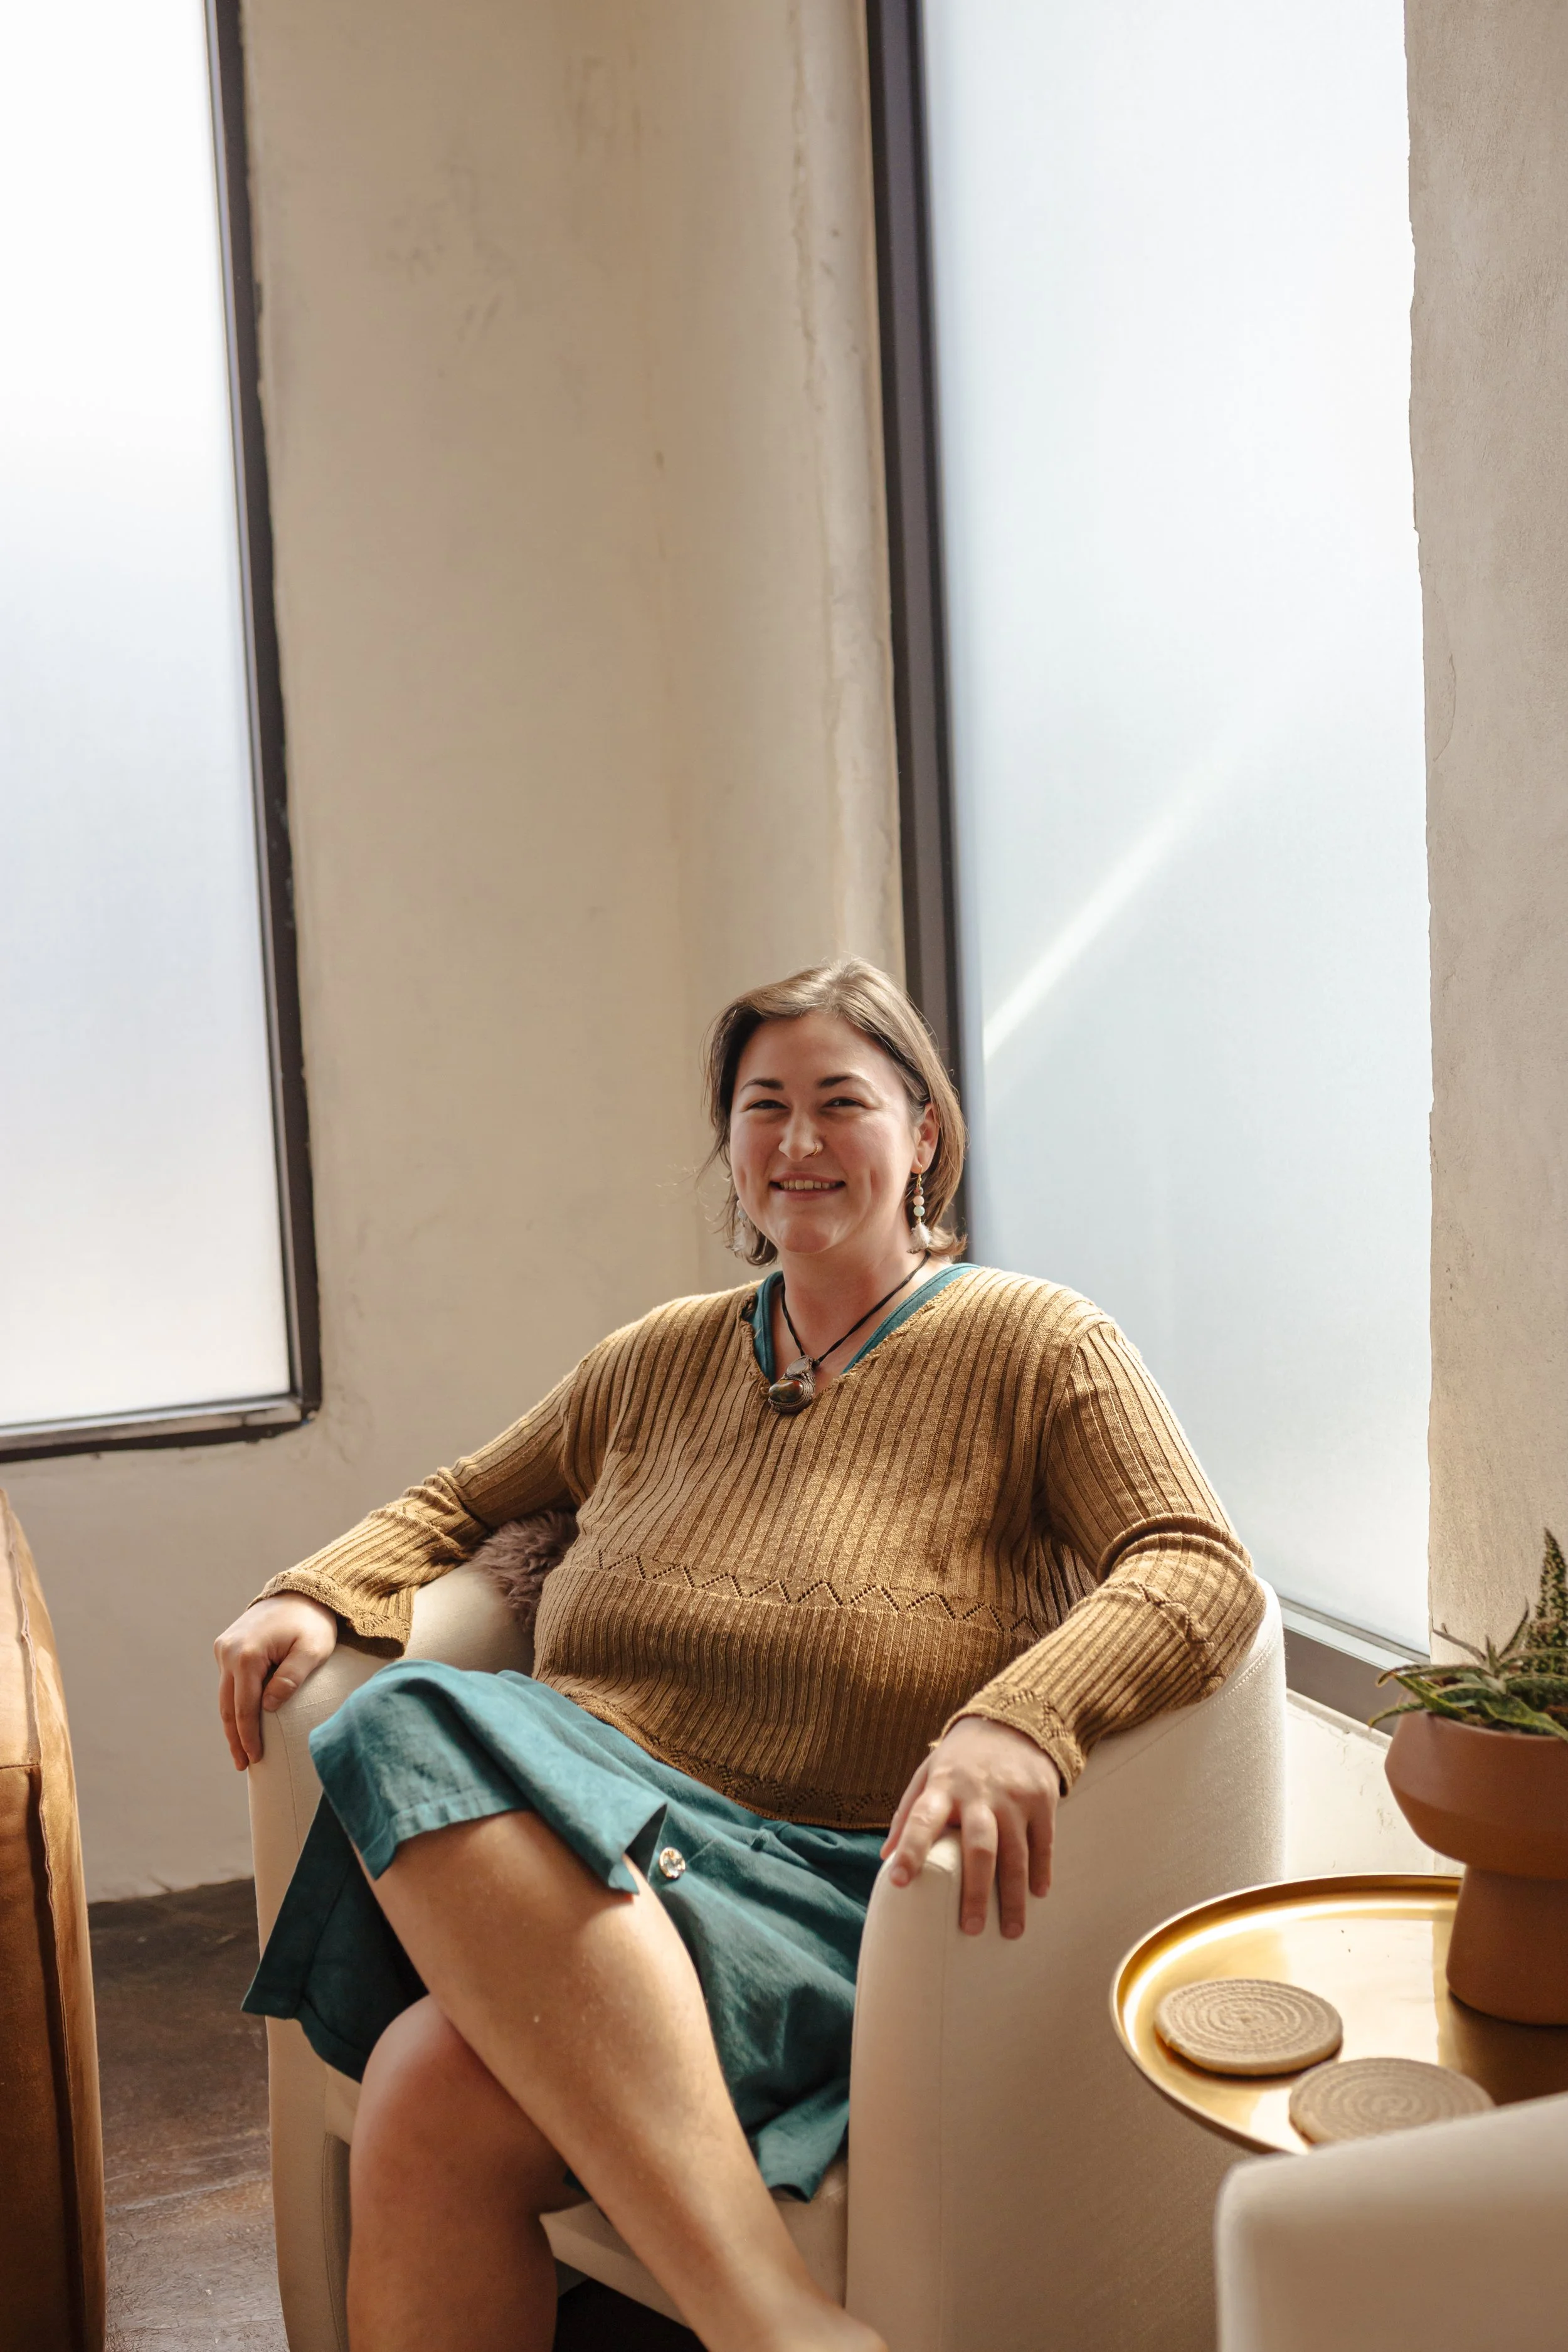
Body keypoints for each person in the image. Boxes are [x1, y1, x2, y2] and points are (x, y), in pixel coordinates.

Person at [216, 959, 1261, 2352]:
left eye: (842, 1102)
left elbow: (1196, 1566)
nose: (800, 1142)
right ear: (730, 1144)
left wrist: (1020, 1715)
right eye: (763, 1106)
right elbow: (462, 1499)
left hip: (818, 1896)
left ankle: (757, 2321)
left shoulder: (1034, 1345)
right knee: (422, 2082)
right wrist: (315, 1595)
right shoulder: (655, 1358)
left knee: (403, 1730)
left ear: (923, 1135)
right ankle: (769, 2322)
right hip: (581, 1870)